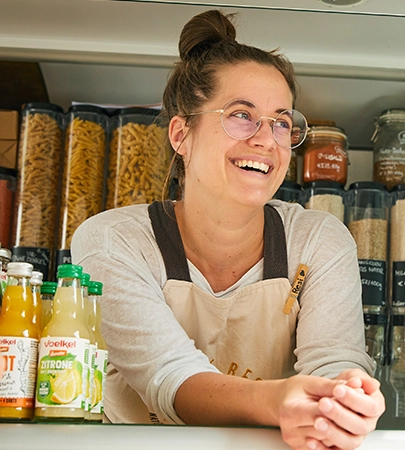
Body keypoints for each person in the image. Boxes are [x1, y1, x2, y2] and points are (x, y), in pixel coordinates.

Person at [71, 9, 384, 450]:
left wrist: (343, 397)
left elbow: (333, 362)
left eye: (281, 121)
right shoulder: (111, 242)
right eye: (241, 114)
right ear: (181, 134)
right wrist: (279, 400)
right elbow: (170, 378)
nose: (266, 139)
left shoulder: (320, 241)